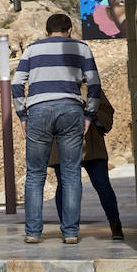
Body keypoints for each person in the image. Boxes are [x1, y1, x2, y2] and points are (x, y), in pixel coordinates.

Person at [12, 13, 101, 244]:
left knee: (35, 173)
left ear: (46, 31)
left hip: (39, 111)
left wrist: (23, 116)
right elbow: (94, 84)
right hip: (70, 109)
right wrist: (89, 116)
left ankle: (33, 232)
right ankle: (70, 232)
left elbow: (17, 83)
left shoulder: (32, 49)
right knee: (71, 173)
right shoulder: (81, 48)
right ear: (70, 30)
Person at [49, 91, 123, 240]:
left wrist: (92, 115)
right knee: (64, 187)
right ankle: (67, 228)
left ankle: (115, 224)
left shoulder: (91, 85)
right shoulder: (54, 84)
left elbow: (107, 110)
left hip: (92, 142)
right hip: (63, 143)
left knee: (102, 185)